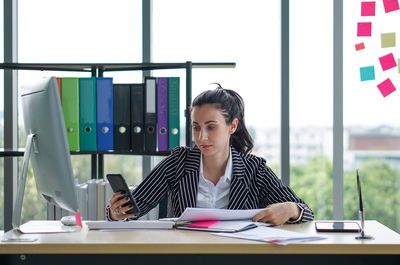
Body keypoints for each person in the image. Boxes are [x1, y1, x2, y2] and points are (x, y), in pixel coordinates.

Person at [107, 84, 314, 225]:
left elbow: (306, 212)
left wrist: (289, 209)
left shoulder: (254, 169)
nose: (202, 137)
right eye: (196, 128)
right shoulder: (178, 162)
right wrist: (116, 213)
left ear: (232, 126)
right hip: (186, 256)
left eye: (211, 127)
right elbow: (135, 207)